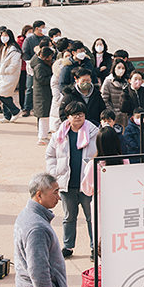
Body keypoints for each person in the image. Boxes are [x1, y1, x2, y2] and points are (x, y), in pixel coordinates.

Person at [14, 172, 66, 287]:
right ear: (39, 195)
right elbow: (38, 270)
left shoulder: (27, 215)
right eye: (55, 192)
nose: (59, 197)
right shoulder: (37, 227)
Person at [45, 101, 98, 259]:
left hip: (87, 184)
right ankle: (68, 246)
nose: (78, 117)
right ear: (68, 117)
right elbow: (50, 156)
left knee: (91, 217)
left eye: (81, 114)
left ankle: (95, 247)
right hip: (67, 184)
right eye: (75, 114)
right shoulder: (59, 135)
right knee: (69, 217)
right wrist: (55, 175)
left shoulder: (94, 133)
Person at [0, 27, 23, 122]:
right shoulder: (3, 48)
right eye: (2, 36)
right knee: (6, 95)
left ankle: (15, 110)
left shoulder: (14, 50)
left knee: (2, 94)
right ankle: (7, 115)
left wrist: (5, 70)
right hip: (3, 75)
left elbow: (13, 65)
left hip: (10, 76)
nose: (4, 37)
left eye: (6, 36)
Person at [31, 45, 55, 145]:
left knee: (45, 116)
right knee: (43, 117)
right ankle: (42, 137)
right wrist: (52, 78)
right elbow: (41, 79)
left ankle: (43, 136)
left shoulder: (42, 64)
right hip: (42, 95)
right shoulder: (40, 66)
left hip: (44, 94)